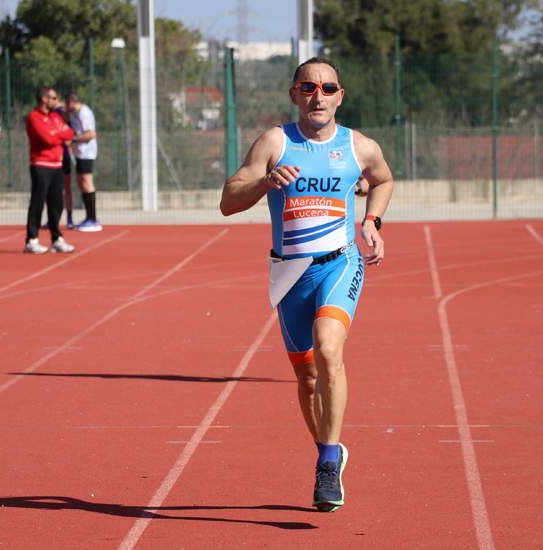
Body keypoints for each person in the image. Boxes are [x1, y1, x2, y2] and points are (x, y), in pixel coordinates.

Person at [220, 57, 393, 512]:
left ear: (340, 96)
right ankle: (327, 450)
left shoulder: (359, 146)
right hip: (289, 273)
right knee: (307, 374)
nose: (319, 96)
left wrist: (372, 221)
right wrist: (264, 184)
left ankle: (327, 464)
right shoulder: (275, 142)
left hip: (339, 264)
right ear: (294, 93)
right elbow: (227, 201)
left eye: (328, 87)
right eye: (308, 87)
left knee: (328, 348)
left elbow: (384, 178)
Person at [24, 87, 75, 254]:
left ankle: (56, 238)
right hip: (41, 165)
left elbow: (69, 133)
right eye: (53, 98)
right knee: (37, 202)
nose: (56, 101)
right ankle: (32, 240)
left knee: (56, 204)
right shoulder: (34, 117)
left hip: (57, 165)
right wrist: (58, 135)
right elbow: (46, 139)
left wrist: (57, 134)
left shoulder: (55, 116)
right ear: (44, 99)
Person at [65, 92, 101, 232]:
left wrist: (73, 140)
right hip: (80, 153)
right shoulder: (75, 113)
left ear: (72, 102)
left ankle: (93, 219)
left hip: (87, 152)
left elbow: (91, 134)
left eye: (67, 104)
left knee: (87, 182)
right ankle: (88, 217)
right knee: (81, 183)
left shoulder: (84, 113)